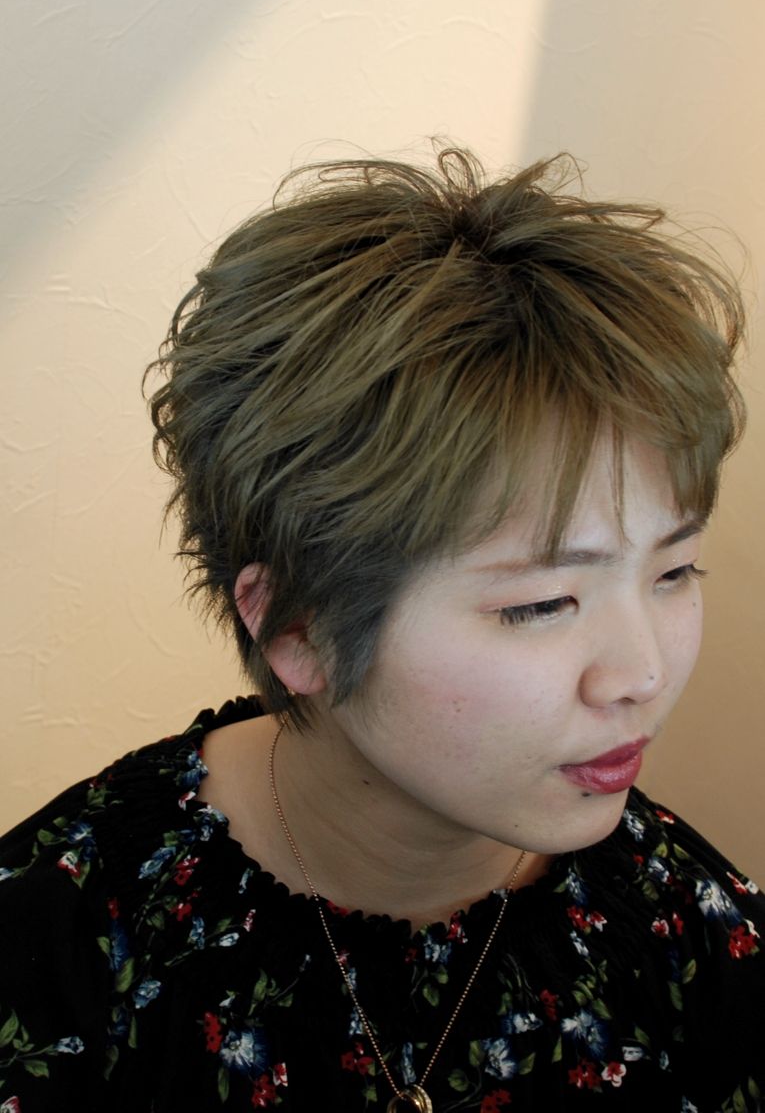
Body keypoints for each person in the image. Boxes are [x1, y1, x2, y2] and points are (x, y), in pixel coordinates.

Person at [0, 145, 762, 1112]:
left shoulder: (691, 943)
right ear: (298, 628)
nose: (641, 675)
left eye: (672, 571)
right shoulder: (60, 945)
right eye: (539, 604)